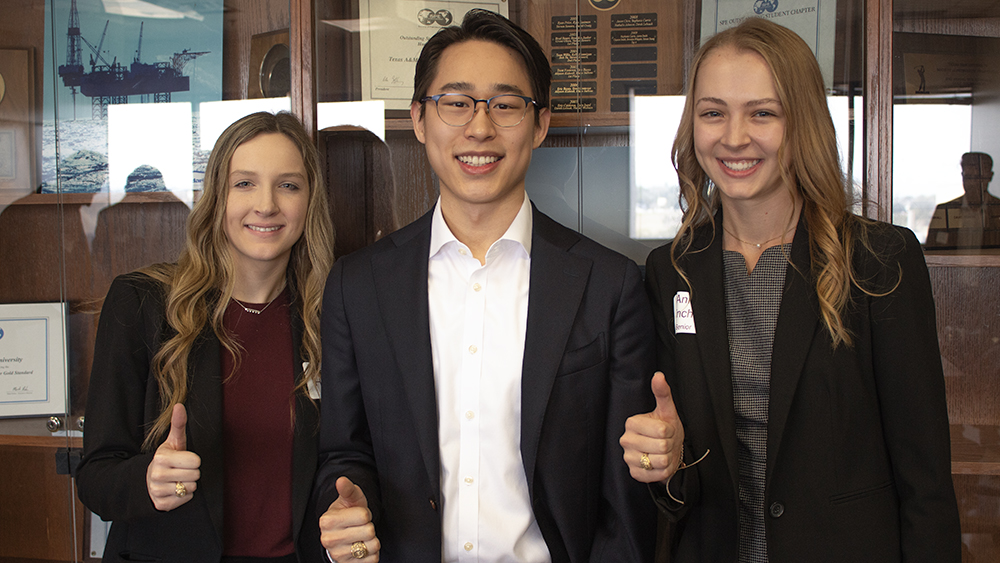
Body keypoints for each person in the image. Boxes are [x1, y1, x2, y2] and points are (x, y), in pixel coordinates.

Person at [314, 9, 658, 563]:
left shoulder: (608, 285)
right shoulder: (359, 286)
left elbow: (625, 495)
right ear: (420, 120)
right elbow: (342, 451)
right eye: (456, 102)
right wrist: (342, 513)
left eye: (505, 104)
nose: (479, 128)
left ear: (540, 123)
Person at [619, 18, 961, 563]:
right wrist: (666, 462)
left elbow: (925, 481)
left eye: (763, 113)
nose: (733, 137)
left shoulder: (879, 260)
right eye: (713, 113)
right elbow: (676, 483)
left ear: (801, 121)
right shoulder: (671, 269)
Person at [76, 111, 335, 563]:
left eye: (288, 185)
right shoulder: (142, 303)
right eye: (245, 183)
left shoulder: (333, 316)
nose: (267, 204)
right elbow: (96, 476)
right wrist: (148, 480)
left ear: (309, 201)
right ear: (217, 197)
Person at [925, 151, 1000, 248]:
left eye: (977, 177)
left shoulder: (998, 209)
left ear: (989, 176)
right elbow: (931, 251)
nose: (972, 183)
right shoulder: (944, 211)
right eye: (969, 177)